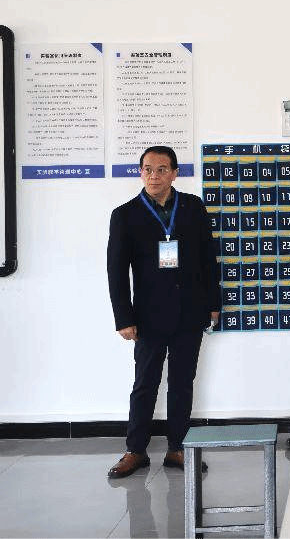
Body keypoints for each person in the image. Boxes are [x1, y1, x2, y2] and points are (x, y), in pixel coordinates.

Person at [106, 146, 220, 479]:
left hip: (190, 311)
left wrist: (213, 304)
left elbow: (208, 258)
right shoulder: (125, 214)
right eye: (147, 169)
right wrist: (124, 318)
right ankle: (135, 450)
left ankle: (178, 448)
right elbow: (116, 271)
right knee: (145, 383)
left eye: (161, 169)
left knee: (182, 383)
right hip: (148, 316)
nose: (154, 176)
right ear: (140, 172)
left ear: (174, 173)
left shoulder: (193, 208)